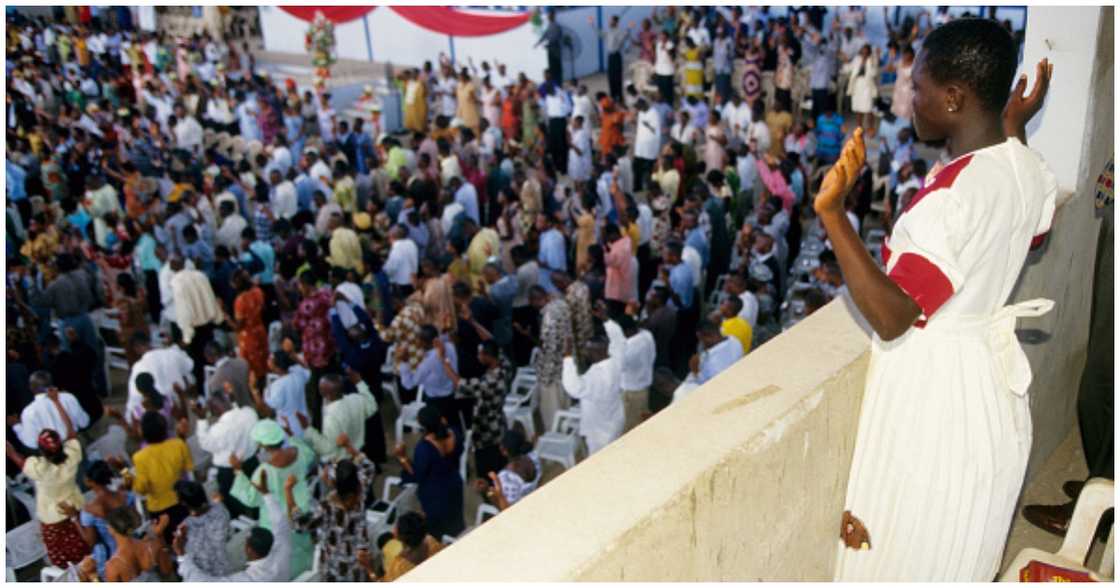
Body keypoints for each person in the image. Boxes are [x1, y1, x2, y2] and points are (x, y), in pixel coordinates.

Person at [818, 19, 1056, 580]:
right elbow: (1033, 230)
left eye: (918, 88)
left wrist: (833, 215)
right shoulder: (1024, 166)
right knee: (957, 547)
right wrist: (1013, 126)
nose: (909, 102)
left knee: (903, 547)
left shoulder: (949, 198)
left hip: (936, 404)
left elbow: (894, 315)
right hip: (987, 394)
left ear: (953, 99)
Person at [7, 394, 89, 568]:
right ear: (61, 445)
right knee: (84, 553)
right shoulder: (72, 457)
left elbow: (13, 454)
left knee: (63, 564)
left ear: (41, 451)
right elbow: (71, 431)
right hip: (75, 510)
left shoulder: (39, 468)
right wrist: (57, 402)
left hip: (52, 521)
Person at [230, 420, 316, 579]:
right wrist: (291, 434)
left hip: (275, 527)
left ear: (263, 446)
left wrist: (237, 471)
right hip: (301, 518)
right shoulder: (299, 452)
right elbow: (309, 454)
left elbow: (251, 499)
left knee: (282, 564)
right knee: (304, 560)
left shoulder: (263, 471)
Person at [175, 470, 293, 581]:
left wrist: (181, 554)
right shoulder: (283, 550)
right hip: (223, 566)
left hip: (204, 569)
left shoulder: (248, 580)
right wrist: (266, 493)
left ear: (249, 550)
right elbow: (281, 524)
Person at [289, 437, 377, 582]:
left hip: (335, 570)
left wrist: (288, 491)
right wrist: (349, 445)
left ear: (334, 483)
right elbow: (368, 466)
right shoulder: (361, 489)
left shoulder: (325, 508)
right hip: (359, 564)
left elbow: (299, 524)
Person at [394, 405, 466, 539]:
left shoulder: (424, 448)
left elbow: (416, 475)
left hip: (436, 494)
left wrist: (402, 457)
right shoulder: (455, 433)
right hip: (454, 485)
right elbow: (459, 450)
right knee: (455, 522)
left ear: (424, 426)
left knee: (437, 532)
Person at [192, 386, 260, 519]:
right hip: (252, 463)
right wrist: (233, 403)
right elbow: (237, 412)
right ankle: (258, 519)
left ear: (216, 409)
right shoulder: (249, 413)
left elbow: (205, 444)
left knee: (234, 505)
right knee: (257, 495)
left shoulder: (218, 430)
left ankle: (239, 529)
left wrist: (201, 419)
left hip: (229, 472)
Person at [449, 340, 512, 479]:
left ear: (489, 356)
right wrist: (472, 321)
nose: (479, 356)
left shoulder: (488, 382)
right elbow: (494, 342)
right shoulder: (505, 367)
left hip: (485, 429)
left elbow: (459, 383)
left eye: (481, 354)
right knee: (500, 460)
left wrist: (443, 360)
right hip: (499, 423)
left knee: (487, 467)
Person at [130, 410, 193, 544]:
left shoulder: (140, 457)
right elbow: (188, 467)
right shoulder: (178, 444)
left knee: (172, 542)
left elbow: (141, 489)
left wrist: (128, 477)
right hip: (182, 500)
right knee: (189, 537)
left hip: (159, 509)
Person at [66, 461, 137, 578]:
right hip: (134, 547)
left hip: (113, 556)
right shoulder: (125, 495)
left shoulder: (90, 510)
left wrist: (74, 518)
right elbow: (130, 481)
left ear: (89, 481)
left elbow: (91, 541)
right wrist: (123, 468)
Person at [301, 369, 379, 462]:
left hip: (341, 461)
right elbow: (373, 406)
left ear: (325, 394)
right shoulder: (356, 398)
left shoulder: (331, 417)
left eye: (320, 389)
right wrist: (359, 383)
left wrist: (307, 429)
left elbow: (327, 448)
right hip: (356, 453)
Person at [357, 511, 445, 581]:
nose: (394, 528)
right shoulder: (430, 540)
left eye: (396, 526)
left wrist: (370, 569)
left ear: (398, 537)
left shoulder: (399, 568)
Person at [13, 371, 91, 449]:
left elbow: (31, 443)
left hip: (53, 453)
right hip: (76, 444)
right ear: (51, 383)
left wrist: (17, 426)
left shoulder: (28, 412)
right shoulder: (68, 397)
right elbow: (84, 422)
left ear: (31, 388)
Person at [173, 479, 232, 577]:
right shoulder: (221, 510)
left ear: (183, 503)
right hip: (225, 569)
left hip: (202, 575)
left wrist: (180, 543)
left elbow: (184, 557)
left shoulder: (185, 528)